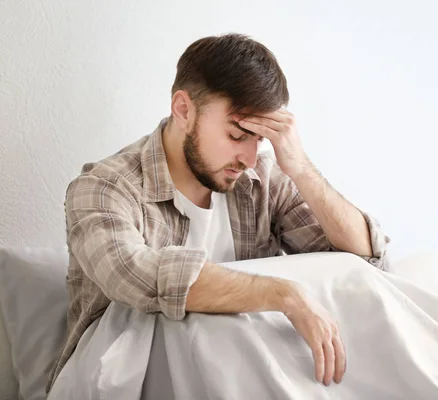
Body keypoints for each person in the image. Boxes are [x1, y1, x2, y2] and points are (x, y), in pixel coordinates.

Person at [47, 33, 390, 392]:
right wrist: (283, 295)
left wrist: (300, 167)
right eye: (238, 135)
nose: (250, 158)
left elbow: (363, 259)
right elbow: (138, 276)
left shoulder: (263, 177)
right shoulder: (102, 188)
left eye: (261, 139)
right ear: (183, 110)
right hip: (125, 377)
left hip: (242, 373)